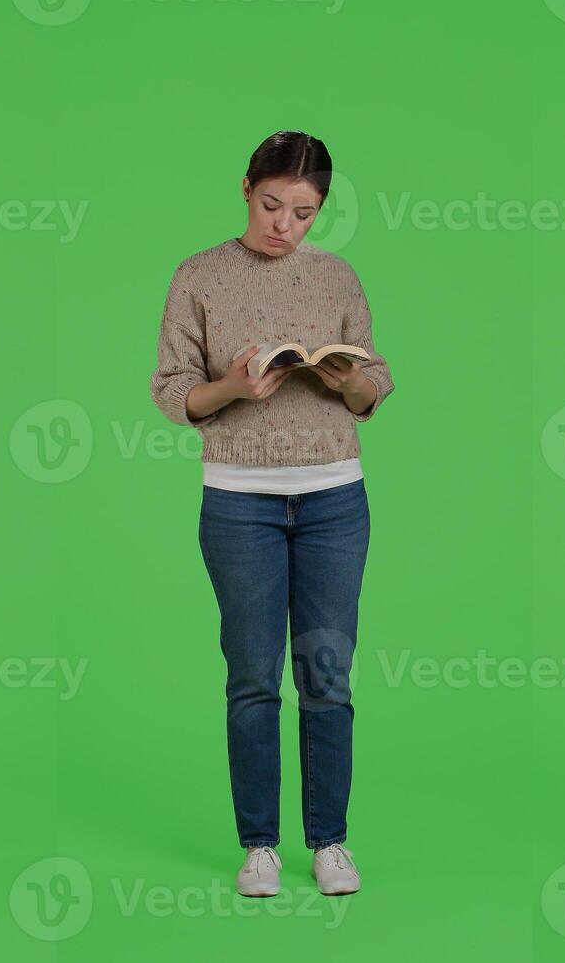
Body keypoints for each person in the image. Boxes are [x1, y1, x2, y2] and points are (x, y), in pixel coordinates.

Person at [151, 130, 395, 899]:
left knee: (328, 673)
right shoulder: (199, 276)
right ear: (246, 187)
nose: (285, 224)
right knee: (252, 676)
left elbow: (372, 385)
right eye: (271, 205)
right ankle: (259, 843)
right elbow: (171, 392)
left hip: (334, 497)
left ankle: (329, 841)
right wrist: (233, 387)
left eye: (305, 212)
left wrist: (347, 380)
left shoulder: (338, 277)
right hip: (239, 503)